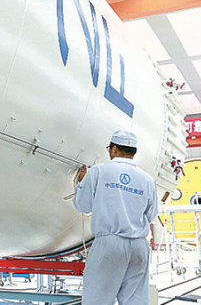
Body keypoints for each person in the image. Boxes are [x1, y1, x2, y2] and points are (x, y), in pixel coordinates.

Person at [73, 130, 158, 305]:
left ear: (113, 149)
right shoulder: (147, 179)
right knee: (135, 299)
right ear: (133, 152)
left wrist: (81, 183)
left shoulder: (99, 171)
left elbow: (83, 206)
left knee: (97, 298)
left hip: (109, 244)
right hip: (139, 245)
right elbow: (151, 214)